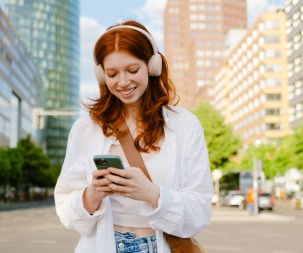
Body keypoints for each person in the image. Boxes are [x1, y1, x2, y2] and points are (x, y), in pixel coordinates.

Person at [54, 20, 213, 253]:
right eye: (112, 74)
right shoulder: (85, 129)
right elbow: (65, 208)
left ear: (152, 66)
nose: (123, 82)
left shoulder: (185, 125)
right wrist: (92, 194)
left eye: (132, 70)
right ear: (101, 75)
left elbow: (200, 211)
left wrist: (152, 193)